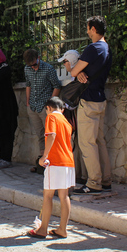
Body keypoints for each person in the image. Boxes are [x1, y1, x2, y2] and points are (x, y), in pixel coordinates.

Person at [70, 16, 113, 194]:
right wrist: (80, 73)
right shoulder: (106, 48)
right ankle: (106, 181)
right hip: (100, 99)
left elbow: (73, 70)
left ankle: (94, 182)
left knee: (87, 143)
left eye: (88, 28)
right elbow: (83, 72)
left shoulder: (93, 48)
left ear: (93, 29)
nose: (87, 31)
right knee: (99, 141)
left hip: (88, 101)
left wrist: (77, 72)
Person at [27, 97, 74, 239]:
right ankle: (62, 229)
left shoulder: (51, 117)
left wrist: (44, 156)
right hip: (68, 162)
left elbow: (52, 135)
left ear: (48, 108)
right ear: (63, 109)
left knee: (47, 196)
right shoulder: (66, 122)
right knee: (64, 196)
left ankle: (43, 229)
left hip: (55, 162)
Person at [23, 49, 62, 167]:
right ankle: (43, 163)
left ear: (38, 58)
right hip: (33, 107)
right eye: (30, 66)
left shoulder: (48, 69)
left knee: (50, 134)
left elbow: (57, 86)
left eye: (34, 64)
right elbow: (28, 84)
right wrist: (28, 101)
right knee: (40, 134)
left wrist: (50, 103)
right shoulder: (27, 69)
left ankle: (53, 161)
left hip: (45, 107)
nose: (33, 67)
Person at [57, 49, 86, 184]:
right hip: (76, 116)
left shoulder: (80, 76)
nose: (64, 65)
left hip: (78, 115)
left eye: (65, 61)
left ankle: (81, 175)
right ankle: (78, 174)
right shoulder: (75, 76)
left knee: (80, 145)